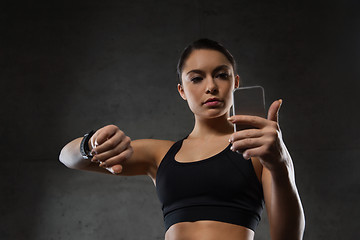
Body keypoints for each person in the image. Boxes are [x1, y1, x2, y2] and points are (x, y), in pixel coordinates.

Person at [59, 39, 305, 240]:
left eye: (221, 75)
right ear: (182, 91)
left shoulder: (262, 151)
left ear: (235, 83)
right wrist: (90, 144)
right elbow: (68, 158)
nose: (210, 86)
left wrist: (279, 163)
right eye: (197, 78)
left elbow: (288, 237)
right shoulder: (160, 155)